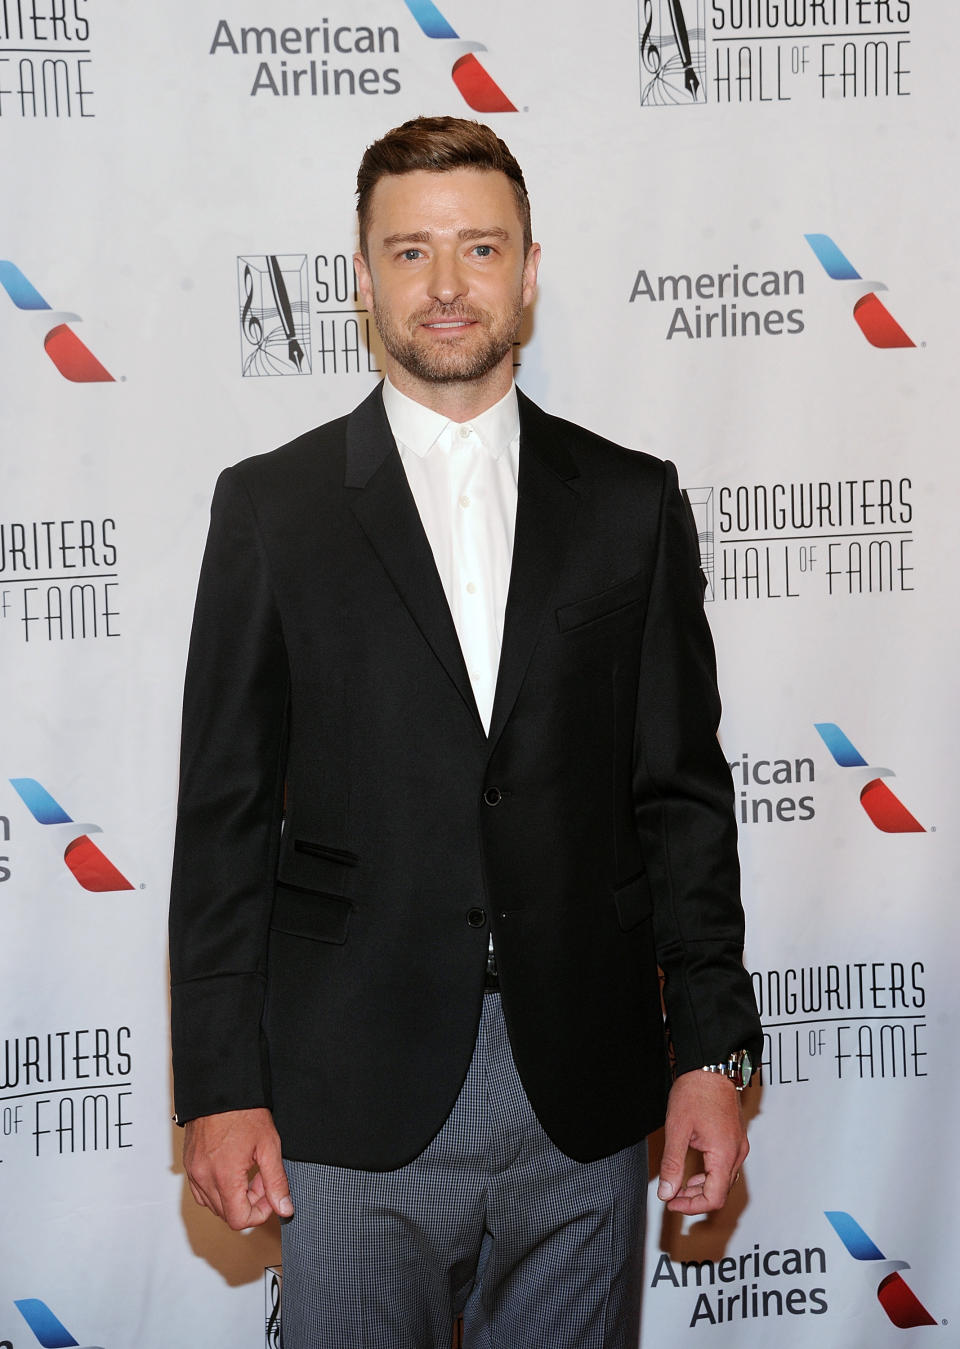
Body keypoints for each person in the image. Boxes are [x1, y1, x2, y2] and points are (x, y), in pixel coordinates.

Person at [169, 116, 763, 1348]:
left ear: (529, 271)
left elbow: (683, 801)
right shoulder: (270, 510)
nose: (445, 287)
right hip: (352, 1090)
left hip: (583, 1093)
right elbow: (222, 824)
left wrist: (709, 1050)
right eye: (410, 253)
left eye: (479, 248)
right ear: (360, 277)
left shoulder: (631, 503)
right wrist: (220, 1091)